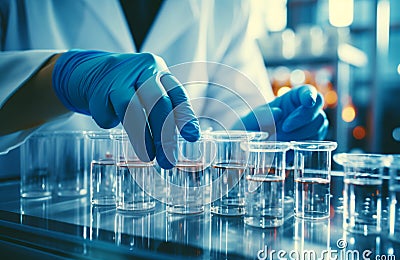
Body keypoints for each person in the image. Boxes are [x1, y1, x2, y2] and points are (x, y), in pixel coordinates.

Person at [0, 0, 328, 173]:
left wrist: (248, 137)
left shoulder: (226, 5)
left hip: (169, 230)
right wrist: (56, 79)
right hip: (23, 226)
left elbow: (225, 110)